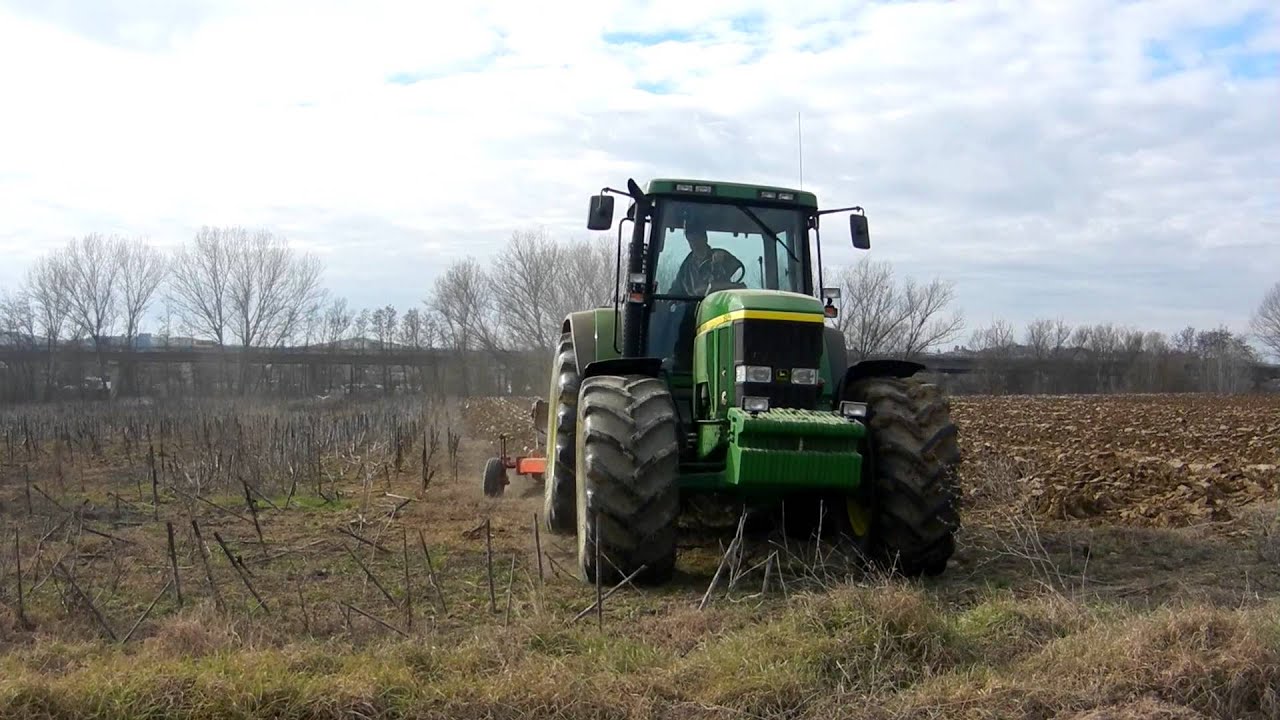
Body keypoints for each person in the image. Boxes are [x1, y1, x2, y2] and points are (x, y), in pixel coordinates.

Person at [671, 220, 743, 296]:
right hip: (692, 305)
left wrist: (720, 263)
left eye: (696, 239)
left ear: (705, 238)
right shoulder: (686, 265)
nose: (694, 244)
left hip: (717, 301)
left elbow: (735, 267)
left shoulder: (722, 257)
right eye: (691, 240)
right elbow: (675, 290)